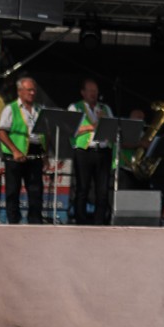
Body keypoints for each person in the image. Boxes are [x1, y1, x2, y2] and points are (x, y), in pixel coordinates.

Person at [0, 75, 48, 225]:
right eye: (29, 90)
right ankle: (13, 222)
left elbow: (45, 134)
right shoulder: (11, 108)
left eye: (34, 90)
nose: (32, 93)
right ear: (20, 91)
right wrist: (15, 150)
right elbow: (1, 132)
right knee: (13, 190)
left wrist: (45, 154)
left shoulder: (39, 110)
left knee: (36, 190)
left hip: (35, 151)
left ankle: (35, 222)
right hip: (16, 153)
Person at [68, 79, 114, 225]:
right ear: (83, 92)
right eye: (90, 91)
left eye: (95, 91)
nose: (93, 94)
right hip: (84, 151)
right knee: (83, 188)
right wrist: (93, 126)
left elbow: (112, 127)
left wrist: (104, 121)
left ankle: (99, 221)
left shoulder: (105, 108)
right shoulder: (75, 107)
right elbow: (70, 129)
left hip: (103, 150)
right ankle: (80, 220)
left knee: (103, 190)